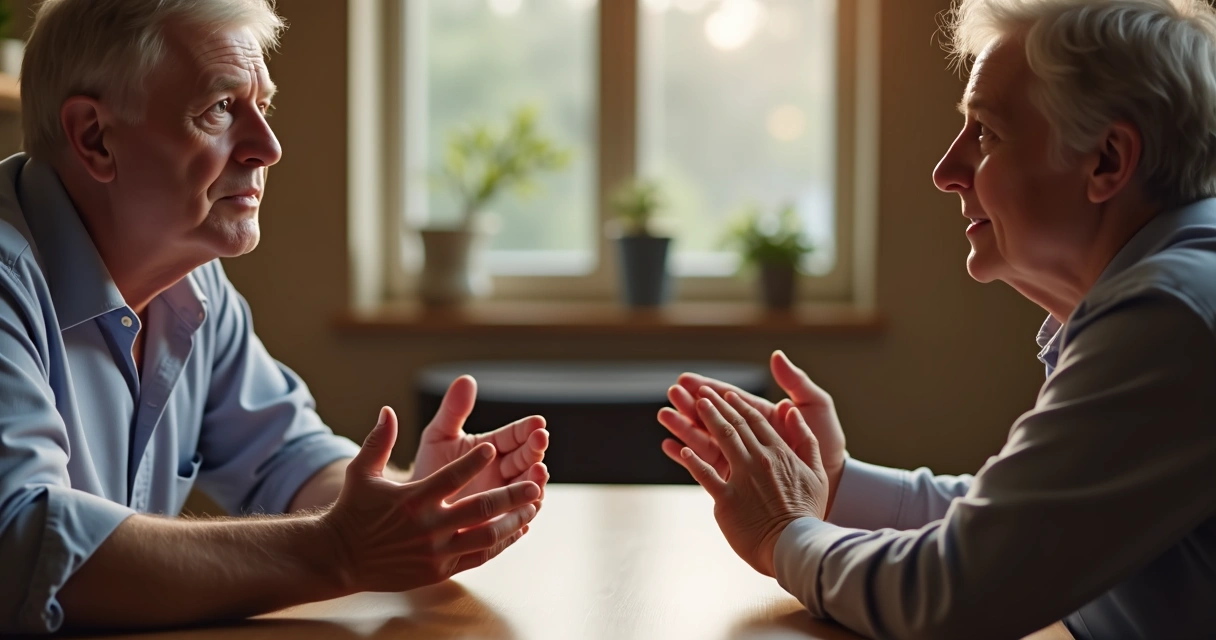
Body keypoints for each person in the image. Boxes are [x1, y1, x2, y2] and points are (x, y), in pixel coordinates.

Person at [659, 0, 1216, 637]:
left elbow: (955, 592)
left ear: (1107, 160)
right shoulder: (1176, 294)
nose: (947, 171)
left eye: (987, 132)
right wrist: (835, 483)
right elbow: (1020, 530)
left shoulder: (1169, 315)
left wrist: (783, 534)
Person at [0, 0, 551, 634]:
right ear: (95, 137)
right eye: (219, 108)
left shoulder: (193, 283)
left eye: (263, 104)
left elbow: (286, 456)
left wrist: (406, 502)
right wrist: (342, 551)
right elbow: (22, 546)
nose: (268, 147)